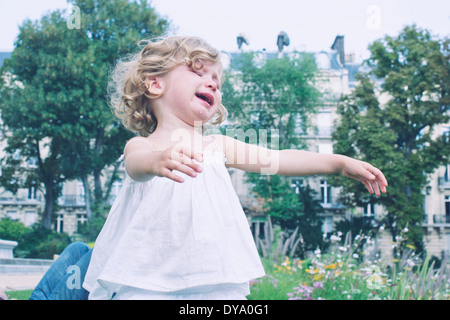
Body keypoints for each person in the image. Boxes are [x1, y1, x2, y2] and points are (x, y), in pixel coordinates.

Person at [82, 36, 388, 300]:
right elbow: (136, 167)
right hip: (146, 276)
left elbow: (278, 159)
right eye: (198, 72)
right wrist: (157, 162)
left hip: (212, 274)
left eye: (218, 81)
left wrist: (337, 162)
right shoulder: (144, 146)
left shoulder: (217, 146)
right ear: (155, 83)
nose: (213, 83)